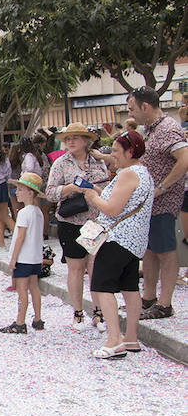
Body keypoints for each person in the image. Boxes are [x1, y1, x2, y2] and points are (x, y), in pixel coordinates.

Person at [84, 131, 154, 358]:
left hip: (117, 239)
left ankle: (115, 340)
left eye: (115, 150)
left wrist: (93, 198)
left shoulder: (128, 174)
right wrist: (97, 192)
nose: (111, 154)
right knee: (130, 288)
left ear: (130, 151)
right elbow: (122, 201)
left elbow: (113, 209)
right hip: (135, 241)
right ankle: (131, 338)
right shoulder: (144, 174)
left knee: (102, 287)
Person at [128, 87, 188, 320]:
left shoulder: (168, 128)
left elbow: (184, 159)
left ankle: (165, 304)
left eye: (132, 108)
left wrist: (161, 188)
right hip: (149, 205)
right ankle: (149, 299)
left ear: (145, 106)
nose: (130, 113)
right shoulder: (150, 129)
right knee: (150, 252)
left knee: (165, 252)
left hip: (163, 204)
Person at [45, 123, 110, 330]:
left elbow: (107, 188)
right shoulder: (61, 163)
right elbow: (50, 192)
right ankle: (78, 312)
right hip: (71, 221)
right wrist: (71, 188)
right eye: (68, 138)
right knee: (75, 268)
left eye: (75, 137)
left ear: (86, 140)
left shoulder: (97, 162)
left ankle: (99, 312)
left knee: (95, 267)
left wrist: (95, 189)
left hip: (95, 220)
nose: (71, 141)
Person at [1, 173, 46, 334]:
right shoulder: (38, 212)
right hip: (35, 258)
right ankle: (38, 318)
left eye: (20, 190)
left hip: (23, 258)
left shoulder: (23, 213)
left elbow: (20, 237)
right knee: (34, 287)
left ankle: (20, 321)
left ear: (30, 193)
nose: (17, 193)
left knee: (22, 290)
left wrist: (13, 258)